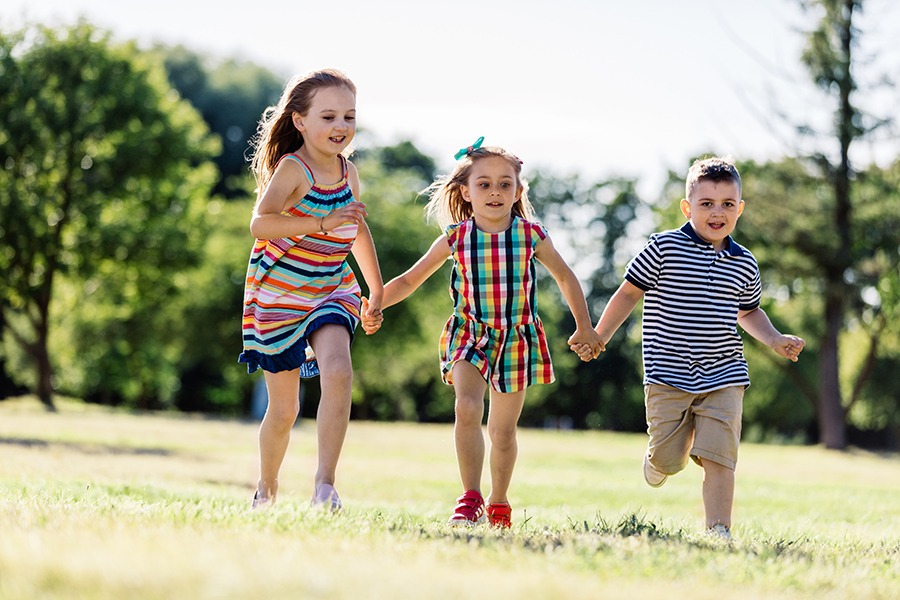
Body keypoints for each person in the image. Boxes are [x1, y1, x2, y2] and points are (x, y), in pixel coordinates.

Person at [361, 138, 602, 528]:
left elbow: (565, 276)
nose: (495, 192)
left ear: (518, 191)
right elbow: (408, 281)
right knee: (467, 407)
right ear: (466, 192)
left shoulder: (531, 236)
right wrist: (374, 304)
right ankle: (470, 497)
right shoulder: (455, 237)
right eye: (484, 184)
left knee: (502, 432)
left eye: (505, 184)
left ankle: (499, 500)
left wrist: (585, 326)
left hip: (517, 339)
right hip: (469, 334)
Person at [578, 157, 805, 540]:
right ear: (688, 207)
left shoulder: (744, 262)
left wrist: (775, 339)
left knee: (720, 456)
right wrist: (599, 333)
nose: (717, 212)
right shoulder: (663, 248)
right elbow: (629, 291)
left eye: (727, 204)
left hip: (724, 373)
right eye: (706, 204)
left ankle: (719, 529)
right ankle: (660, 460)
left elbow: (748, 312)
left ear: (740, 209)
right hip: (668, 373)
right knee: (669, 459)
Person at [239, 69, 384, 511]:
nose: (340, 126)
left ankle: (325, 485)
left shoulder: (348, 172)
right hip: (280, 293)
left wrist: (373, 292)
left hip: (330, 289)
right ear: (300, 121)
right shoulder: (293, 169)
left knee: (338, 372)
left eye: (349, 116)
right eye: (328, 116)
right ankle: (266, 486)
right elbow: (260, 224)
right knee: (284, 412)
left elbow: (357, 232)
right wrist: (321, 222)